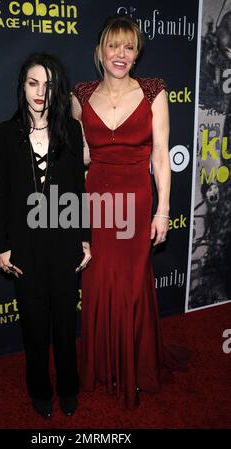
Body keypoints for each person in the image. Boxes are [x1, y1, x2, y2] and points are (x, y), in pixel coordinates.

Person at [72, 15, 189, 409]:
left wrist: (163, 210)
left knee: (133, 284)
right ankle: (104, 365)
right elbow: (79, 155)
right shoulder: (81, 95)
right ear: (100, 51)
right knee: (98, 282)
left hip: (136, 202)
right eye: (113, 46)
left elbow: (161, 154)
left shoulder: (155, 91)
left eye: (129, 47)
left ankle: (136, 366)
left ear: (136, 54)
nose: (120, 54)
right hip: (97, 202)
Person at [0, 52, 91, 418]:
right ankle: (39, 389)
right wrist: (1, 245)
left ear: (58, 91)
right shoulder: (6, 132)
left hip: (64, 245)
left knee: (66, 325)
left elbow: (79, 192)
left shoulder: (71, 129)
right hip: (25, 249)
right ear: (23, 86)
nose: (40, 92)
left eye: (48, 85)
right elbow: (1, 192)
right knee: (34, 328)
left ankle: (68, 386)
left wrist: (85, 238)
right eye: (33, 83)